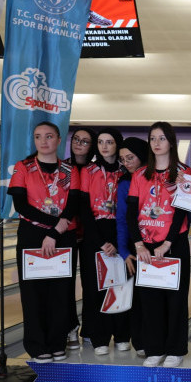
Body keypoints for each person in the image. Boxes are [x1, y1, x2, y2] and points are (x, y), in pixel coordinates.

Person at [8, 121, 80, 363]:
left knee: (61, 292)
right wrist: (53, 226)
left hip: (63, 235)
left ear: (59, 141)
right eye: (38, 136)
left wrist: (57, 230)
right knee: (34, 293)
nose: (44, 141)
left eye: (49, 136)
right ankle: (38, 345)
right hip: (32, 235)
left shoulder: (70, 170)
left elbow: (73, 203)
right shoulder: (23, 167)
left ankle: (57, 342)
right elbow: (20, 205)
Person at [127, 122, 191, 368]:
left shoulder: (184, 172)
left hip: (174, 244)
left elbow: (182, 212)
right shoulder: (140, 175)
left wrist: (168, 243)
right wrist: (139, 245)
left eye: (162, 138)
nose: (156, 142)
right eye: (153, 138)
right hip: (146, 245)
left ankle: (176, 349)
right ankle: (155, 348)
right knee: (150, 299)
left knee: (175, 300)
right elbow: (132, 212)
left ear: (171, 142)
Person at [79, 128, 130, 356]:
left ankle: (122, 335)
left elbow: (131, 211)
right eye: (100, 142)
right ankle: (100, 337)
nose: (104, 146)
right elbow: (84, 211)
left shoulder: (127, 172)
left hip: (120, 232)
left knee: (121, 286)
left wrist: (120, 242)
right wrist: (100, 241)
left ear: (117, 145)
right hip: (94, 234)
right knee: (95, 289)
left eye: (109, 142)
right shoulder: (88, 171)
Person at [116, 137, 149, 357]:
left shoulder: (158, 178)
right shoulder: (124, 184)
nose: (127, 163)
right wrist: (125, 252)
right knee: (138, 299)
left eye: (131, 157)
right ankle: (141, 342)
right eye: (123, 159)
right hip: (135, 247)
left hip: (157, 244)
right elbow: (121, 219)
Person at [64, 127, 96, 349]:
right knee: (64, 286)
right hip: (64, 233)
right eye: (76, 139)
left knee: (90, 284)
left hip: (91, 235)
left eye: (85, 141)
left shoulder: (96, 170)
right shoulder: (61, 168)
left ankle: (90, 330)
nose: (79, 143)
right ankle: (70, 328)